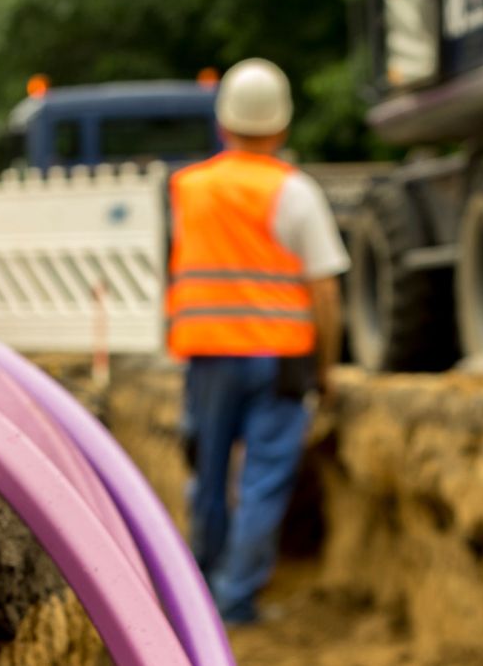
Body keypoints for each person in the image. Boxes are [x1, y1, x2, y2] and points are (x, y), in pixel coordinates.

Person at [166, 58, 349, 624]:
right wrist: (328, 370)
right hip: (281, 358)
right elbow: (324, 291)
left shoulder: (188, 189)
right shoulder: (295, 192)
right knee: (264, 480)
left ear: (223, 123)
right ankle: (234, 601)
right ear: (283, 126)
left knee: (210, 476)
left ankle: (199, 594)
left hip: (208, 354)